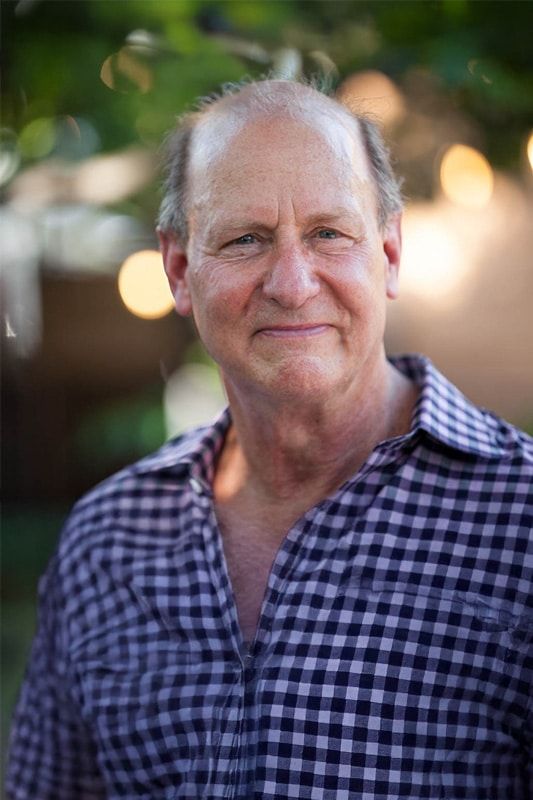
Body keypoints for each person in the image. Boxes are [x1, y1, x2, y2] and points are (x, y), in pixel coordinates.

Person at [6, 79, 532, 800]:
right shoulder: (107, 541)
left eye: (328, 233)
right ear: (181, 270)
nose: (290, 283)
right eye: (244, 239)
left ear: (389, 250)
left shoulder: (519, 522)